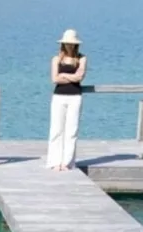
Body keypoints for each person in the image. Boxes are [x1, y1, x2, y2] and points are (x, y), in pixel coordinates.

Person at [47, 29, 87, 170]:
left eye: (72, 43)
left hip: (75, 97)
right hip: (59, 97)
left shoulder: (82, 58)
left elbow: (80, 77)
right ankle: (54, 162)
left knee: (72, 130)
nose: (69, 46)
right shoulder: (56, 59)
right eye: (67, 43)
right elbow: (54, 79)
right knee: (56, 130)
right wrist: (70, 77)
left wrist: (64, 74)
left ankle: (68, 162)